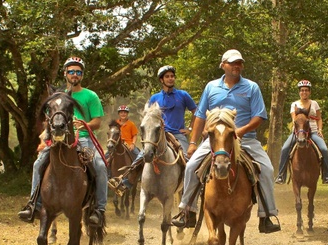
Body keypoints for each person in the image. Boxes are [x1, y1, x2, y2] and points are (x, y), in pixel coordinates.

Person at [170, 49, 281, 234]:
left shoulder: (251, 87)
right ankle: (187, 211)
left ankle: (266, 215)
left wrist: (240, 131)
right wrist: (192, 143)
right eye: (232, 63)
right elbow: (199, 116)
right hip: (215, 140)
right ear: (223, 65)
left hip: (245, 140)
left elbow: (259, 116)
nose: (237, 66)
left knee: (267, 170)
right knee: (191, 168)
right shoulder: (211, 87)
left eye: (239, 63)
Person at [18, 56, 108, 225]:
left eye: (78, 72)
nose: (75, 75)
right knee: (38, 164)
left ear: (82, 75)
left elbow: (97, 122)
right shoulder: (56, 96)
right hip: (58, 138)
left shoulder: (90, 96)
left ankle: (99, 209)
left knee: (101, 166)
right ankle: (34, 205)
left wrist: (83, 125)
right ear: (65, 73)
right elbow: (48, 118)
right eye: (72, 71)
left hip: (83, 138)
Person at [109, 65, 196, 193]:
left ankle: (192, 189)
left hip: (178, 134)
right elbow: (147, 118)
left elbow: (196, 112)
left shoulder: (183, 95)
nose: (170, 79)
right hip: (158, 135)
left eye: (172, 76)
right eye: (167, 76)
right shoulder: (155, 98)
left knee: (188, 160)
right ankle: (125, 182)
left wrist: (189, 128)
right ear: (161, 80)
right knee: (140, 157)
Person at [275, 80, 328, 184]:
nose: (304, 92)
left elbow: (319, 118)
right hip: (298, 132)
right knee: (285, 149)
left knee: (324, 149)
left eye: (306, 90)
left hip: (313, 132)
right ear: (299, 92)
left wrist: (320, 129)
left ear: (309, 92)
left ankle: (326, 175)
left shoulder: (314, 104)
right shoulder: (294, 104)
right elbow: (294, 118)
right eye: (302, 90)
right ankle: (281, 175)